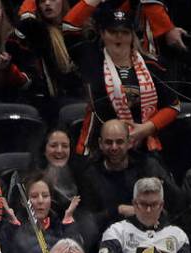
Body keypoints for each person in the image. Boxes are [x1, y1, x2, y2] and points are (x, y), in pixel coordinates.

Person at [74, 7, 181, 157]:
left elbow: (173, 106)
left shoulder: (153, 66)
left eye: (124, 33)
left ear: (132, 37)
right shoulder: (92, 64)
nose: (119, 37)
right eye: (112, 32)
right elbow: (69, 26)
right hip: (102, 147)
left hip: (145, 146)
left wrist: (145, 129)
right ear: (102, 34)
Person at [75, 119, 183, 253]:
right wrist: (118, 210)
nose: (114, 147)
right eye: (108, 142)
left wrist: (159, 190)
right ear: (100, 144)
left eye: (119, 142)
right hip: (108, 242)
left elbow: (178, 205)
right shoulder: (90, 174)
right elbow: (88, 221)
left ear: (129, 142)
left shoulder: (148, 166)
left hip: (150, 238)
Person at [0, 173, 82, 253]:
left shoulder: (61, 226)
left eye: (45, 196)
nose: (40, 201)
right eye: (34, 196)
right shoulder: (14, 230)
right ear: (23, 202)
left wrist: (69, 223)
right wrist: (11, 228)